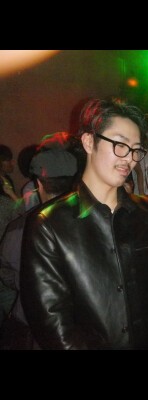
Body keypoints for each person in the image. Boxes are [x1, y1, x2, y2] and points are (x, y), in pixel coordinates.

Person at [20, 98, 148, 350]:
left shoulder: (146, 212)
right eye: (120, 145)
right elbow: (52, 320)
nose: (129, 158)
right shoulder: (49, 223)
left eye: (136, 150)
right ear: (88, 142)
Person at [0, 132, 78, 349]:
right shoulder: (92, 222)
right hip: (77, 326)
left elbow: (5, 270)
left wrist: (27, 284)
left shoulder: (20, 227)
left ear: (39, 184)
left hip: (32, 323)